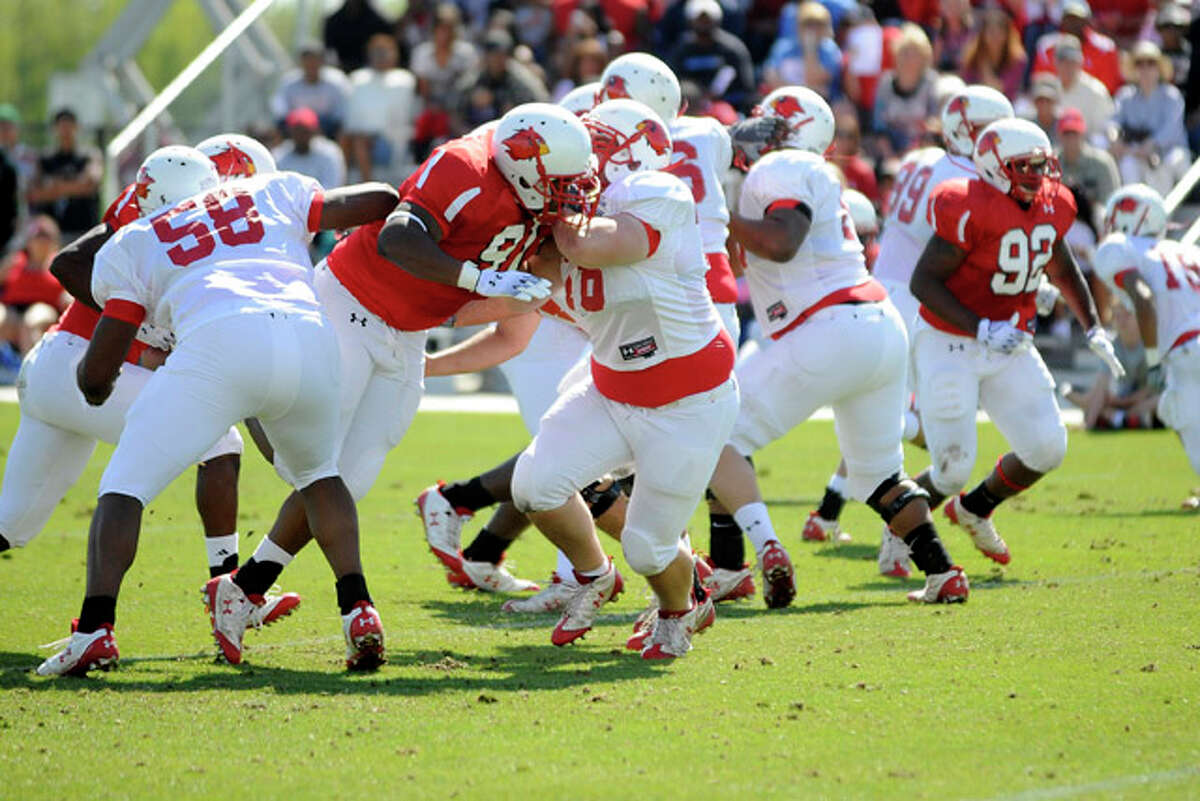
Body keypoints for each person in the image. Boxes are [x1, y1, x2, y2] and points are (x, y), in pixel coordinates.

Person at [220, 104, 595, 631]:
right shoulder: (465, 166)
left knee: (348, 479)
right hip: (351, 301)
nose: (571, 194)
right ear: (523, 164)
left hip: (407, 332)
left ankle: (242, 590)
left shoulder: (539, 213)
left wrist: (509, 294)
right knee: (306, 464)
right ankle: (260, 398)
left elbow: (503, 321)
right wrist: (481, 280)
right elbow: (399, 239)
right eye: (561, 181)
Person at [36, 145, 401, 676]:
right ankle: (358, 608)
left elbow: (97, 374)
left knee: (125, 483)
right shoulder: (268, 189)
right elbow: (380, 199)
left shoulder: (136, 238)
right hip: (308, 334)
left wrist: (94, 383)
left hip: (219, 342)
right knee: (319, 475)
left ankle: (95, 629)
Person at [710, 86, 969, 606]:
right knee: (879, 475)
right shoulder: (803, 172)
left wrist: (715, 216)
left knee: (716, 435)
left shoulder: (780, 168)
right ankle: (943, 572)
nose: (756, 131)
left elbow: (783, 241)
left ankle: (739, 563)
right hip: (876, 327)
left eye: (769, 123)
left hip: (826, 328)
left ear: (788, 131)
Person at [510, 97, 738, 658]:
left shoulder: (657, 193)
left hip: (687, 402)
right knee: (533, 486)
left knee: (649, 547)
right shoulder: (577, 213)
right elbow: (536, 287)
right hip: (611, 387)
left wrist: (553, 218)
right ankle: (593, 573)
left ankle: (680, 609)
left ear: (633, 153)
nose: (580, 161)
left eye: (597, 146)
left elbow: (597, 246)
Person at [805, 85, 1013, 574]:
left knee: (890, 416)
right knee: (906, 428)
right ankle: (895, 519)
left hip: (886, 289)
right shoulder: (966, 175)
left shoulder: (922, 159)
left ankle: (832, 514)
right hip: (922, 301)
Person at [908, 117, 1121, 565]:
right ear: (992, 166)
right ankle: (902, 529)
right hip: (950, 340)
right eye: (1024, 166)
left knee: (1048, 446)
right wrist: (980, 327)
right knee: (951, 467)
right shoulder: (966, 204)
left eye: (1041, 165)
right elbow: (923, 282)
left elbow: (1063, 268)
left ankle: (974, 508)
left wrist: (1093, 326)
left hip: (1010, 343)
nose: (1036, 175)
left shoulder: (1052, 203)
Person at [1093, 184, 1200, 485]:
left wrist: (1153, 360)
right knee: (1169, 408)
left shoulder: (1119, 247)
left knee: (1180, 417)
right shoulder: (1187, 250)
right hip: (1188, 345)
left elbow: (1143, 297)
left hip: (1187, 350)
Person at [1110, 41, 1191, 195]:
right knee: (1127, 164)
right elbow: (1113, 121)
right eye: (1140, 63)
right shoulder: (1125, 95)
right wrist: (1114, 138)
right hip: (1135, 151)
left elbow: (1171, 131)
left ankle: (1162, 215)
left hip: (1168, 152)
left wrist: (1150, 145)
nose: (1145, 68)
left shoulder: (1171, 95)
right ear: (1135, 69)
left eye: (1151, 63)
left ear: (1159, 69)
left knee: (1164, 166)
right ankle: (1133, 213)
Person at [344, 33, 418, 183]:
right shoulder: (357, 79)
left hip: (391, 143)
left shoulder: (404, 80)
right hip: (360, 139)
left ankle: (367, 185)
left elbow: (405, 118)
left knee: (360, 142)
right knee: (346, 138)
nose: (380, 56)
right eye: (376, 52)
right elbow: (351, 121)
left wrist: (375, 136)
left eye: (384, 51)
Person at [668, 0, 756, 112]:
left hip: (725, 106)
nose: (704, 23)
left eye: (708, 20)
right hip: (691, 108)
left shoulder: (732, 49)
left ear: (717, 20)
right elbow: (674, 81)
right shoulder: (681, 49)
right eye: (699, 19)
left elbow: (747, 87)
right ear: (690, 21)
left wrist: (719, 97)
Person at [27, 109, 101, 241]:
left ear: (77, 128)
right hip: (53, 235)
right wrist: (75, 186)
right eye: (62, 127)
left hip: (84, 231)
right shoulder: (45, 159)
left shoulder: (88, 155)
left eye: (69, 126)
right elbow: (34, 193)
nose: (66, 131)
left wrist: (54, 187)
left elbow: (90, 184)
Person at [455, 30, 550, 132]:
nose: (498, 60)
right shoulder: (476, 76)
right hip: (478, 133)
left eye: (502, 55)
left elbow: (542, 103)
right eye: (494, 55)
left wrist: (514, 111)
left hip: (516, 132)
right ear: (486, 56)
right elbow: (453, 105)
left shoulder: (520, 78)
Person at [871, 24, 941, 158]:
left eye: (914, 53)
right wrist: (890, 156)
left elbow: (933, 124)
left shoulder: (931, 83)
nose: (908, 58)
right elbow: (879, 126)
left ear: (924, 57)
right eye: (904, 52)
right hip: (888, 153)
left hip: (922, 152)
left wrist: (911, 154)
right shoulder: (885, 83)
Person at [0, 216, 65, 355]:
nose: (41, 241)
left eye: (46, 236)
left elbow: (68, 297)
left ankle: (29, 372)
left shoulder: (60, 264)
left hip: (44, 307)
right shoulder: (15, 261)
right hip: (13, 310)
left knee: (31, 322)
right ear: (29, 242)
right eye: (38, 236)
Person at [1031, 0, 1121, 96]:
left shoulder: (1105, 49)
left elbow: (1109, 89)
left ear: (1087, 21)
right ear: (1062, 21)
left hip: (1093, 104)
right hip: (1056, 103)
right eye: (1069, 19)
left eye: (1078, 19)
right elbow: (1041, 84)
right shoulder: (1047, 49)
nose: (1073, 24)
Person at [269, 41, 352, 139]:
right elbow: (280, 107)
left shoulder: (337, 80)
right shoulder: (289, 81)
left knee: (345, 129)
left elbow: (342, 109)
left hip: (327, 124)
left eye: (315, 60)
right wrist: (300, 121)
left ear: (322, 61)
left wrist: (317, 126)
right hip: (297, 124)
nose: (311, 64)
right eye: (307, 60)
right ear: (301, 62)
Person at [1055, 107, 1119, 234]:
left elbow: (1112, 200)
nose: (1071, 139)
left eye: (1074, 133)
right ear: (1059, 136)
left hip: (1093, 221)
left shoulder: (1102, 162)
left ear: (1083, 135)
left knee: (1102, 214)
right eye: (1066, 133)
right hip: (1063, 219)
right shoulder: (1052, 162)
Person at [761, 1, 842, 99]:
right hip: (786, 99)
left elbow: (815, 79)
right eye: (808, 24)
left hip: (821, 101)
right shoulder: (783, 47)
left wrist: (810, 50)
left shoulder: (829, 50)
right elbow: (771, 77)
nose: (813, 29)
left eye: (818, 24)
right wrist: (799, 92)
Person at [1051, 35, 1112, 150]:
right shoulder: (1050, 88)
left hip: (1086, 148)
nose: (1068, 66)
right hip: (1056, 145)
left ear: (1080, 62)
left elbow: (1104, 131)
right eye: (1063, 61)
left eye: (1072, 61)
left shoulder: (1096, 91)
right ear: (1055, 63)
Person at [961, 6, 1027, 99]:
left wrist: (985, 67)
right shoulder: (972, 57)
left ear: (1007, 35)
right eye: (991, 32)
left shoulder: (1017, 59)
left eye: (999, 32)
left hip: (1010, 106)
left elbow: (999, 89)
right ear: (982, 35)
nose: (995, 37)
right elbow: (967, 87)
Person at [274, 107, 347, 190]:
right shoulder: (279, 156)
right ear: (290, 131)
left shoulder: (331, 153)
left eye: (305, 131)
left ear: (315, 130)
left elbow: (334, 187)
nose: (300, 135)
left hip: (324, 201)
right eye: (297, 131)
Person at [323, 0, 393, 73]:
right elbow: (329, 51)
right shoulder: (333, 21)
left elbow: (387, 45)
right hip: (341, 70)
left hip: (370, 70)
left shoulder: (378, 22)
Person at [828, 110, 878, 205]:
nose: (844, 140)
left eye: (849, 136)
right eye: (839, 133)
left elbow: (872, 204)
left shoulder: (863, 172)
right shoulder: (822, 165)